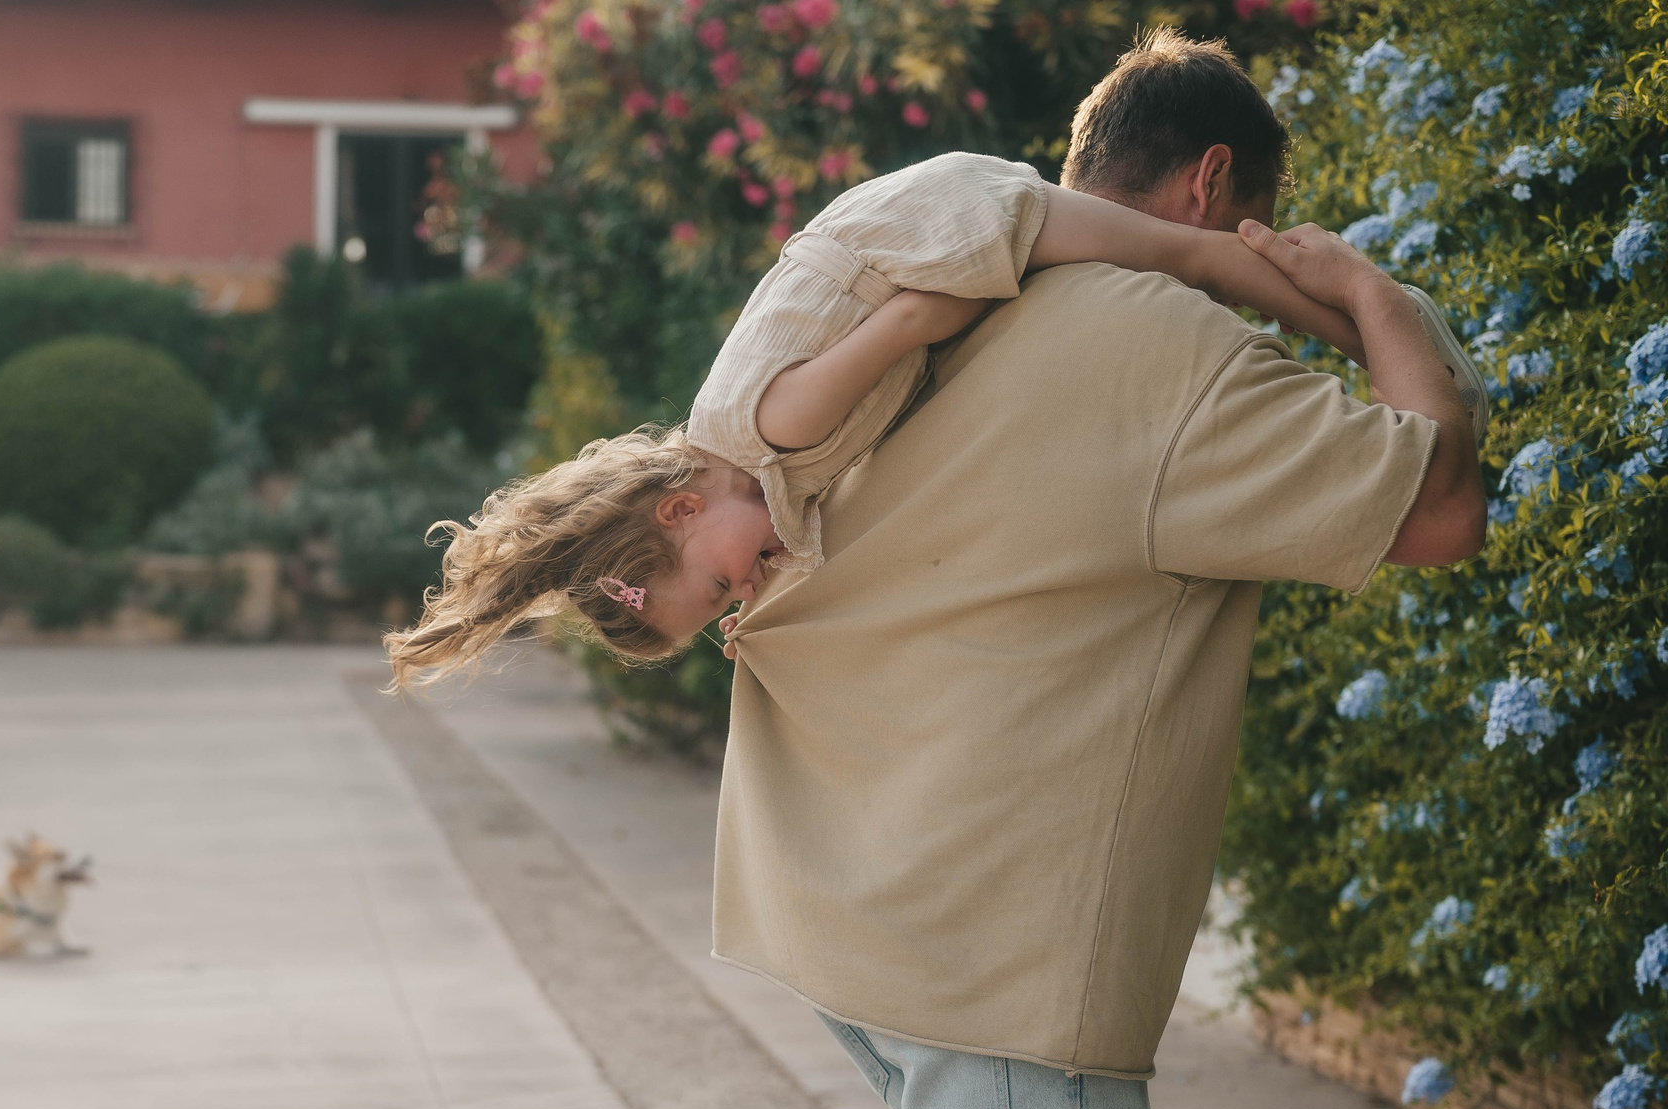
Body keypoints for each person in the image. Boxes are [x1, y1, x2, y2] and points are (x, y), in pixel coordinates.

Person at [709, 33, 1484, 1109]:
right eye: (1265, 216)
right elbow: (1437, 505)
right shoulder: (1167, 347)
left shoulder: (950, 268)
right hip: (1009, 961)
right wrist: (1367, 296)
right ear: (1214, 190)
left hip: (858, 894)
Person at [380, 41, 1478, 688]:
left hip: (942, 235)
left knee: (1204, 261)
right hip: (925, 229)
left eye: (723, 583)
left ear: (672, 511)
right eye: (729, 602)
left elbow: (900, 331)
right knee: (1201, 260)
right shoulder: (755, 467)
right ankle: (1360, 302)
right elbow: (1440, 518)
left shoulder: (773, 436)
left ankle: (1350, 300)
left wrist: (921, 314)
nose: (743, 588)